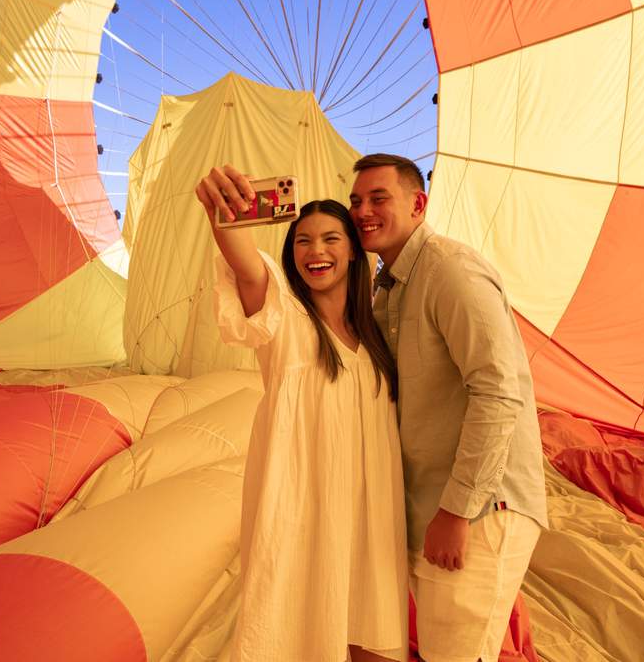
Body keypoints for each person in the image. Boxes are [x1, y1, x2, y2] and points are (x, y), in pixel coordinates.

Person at [197, 165, 409, 662]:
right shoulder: (284, 315)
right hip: (304, 508)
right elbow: (247, 264)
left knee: (373, 626)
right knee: (299, 622)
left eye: (331, 238)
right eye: (303, 242)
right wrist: (225, 215)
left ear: (354, 248)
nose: (316, 252)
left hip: (372, 513)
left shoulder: (381, 331)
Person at [349, 154, 549, 662]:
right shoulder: (386, 288)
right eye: (355, 201)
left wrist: (456, 510)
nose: (362, 211)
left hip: (480, 508)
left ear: (418, 204)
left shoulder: (449, 270)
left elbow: (500, 391)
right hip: (432, 506)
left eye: (378, 198)